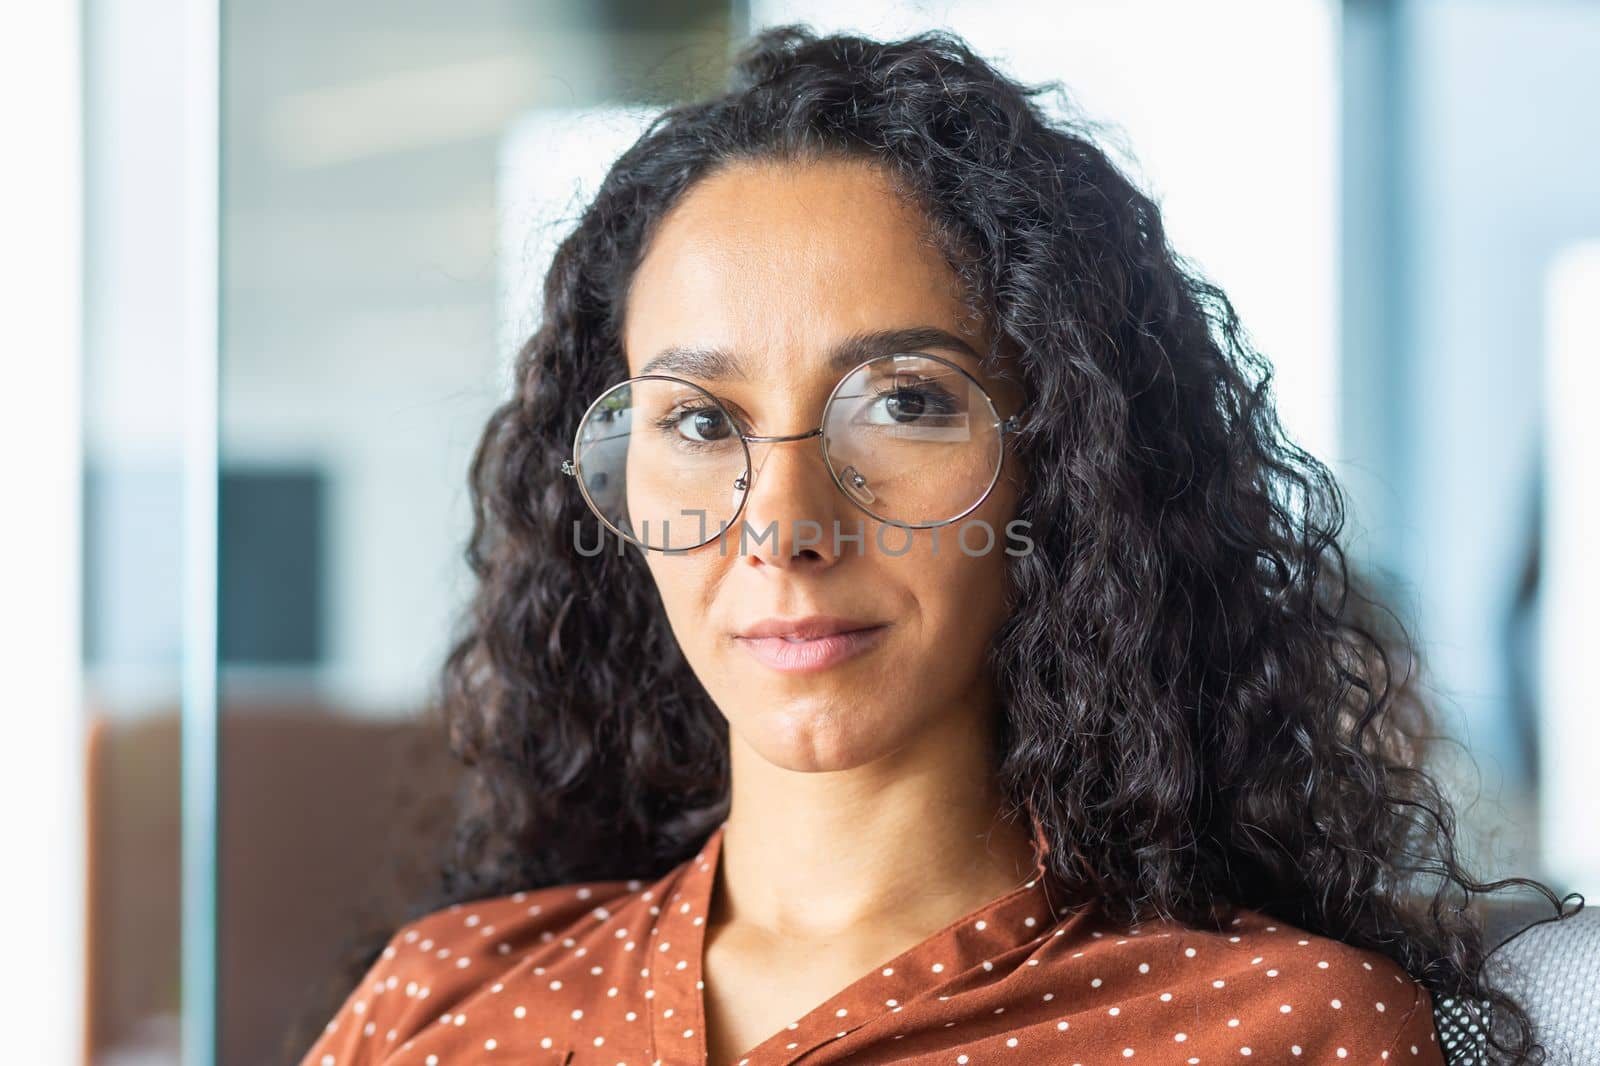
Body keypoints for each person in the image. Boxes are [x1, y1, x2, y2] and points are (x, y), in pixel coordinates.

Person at [298, 23, 1561, 1066]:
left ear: (1063, 461)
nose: (785, 527)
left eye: (904, 400)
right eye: (696, 420)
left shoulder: (1272, 1031)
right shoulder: (444, 1005)